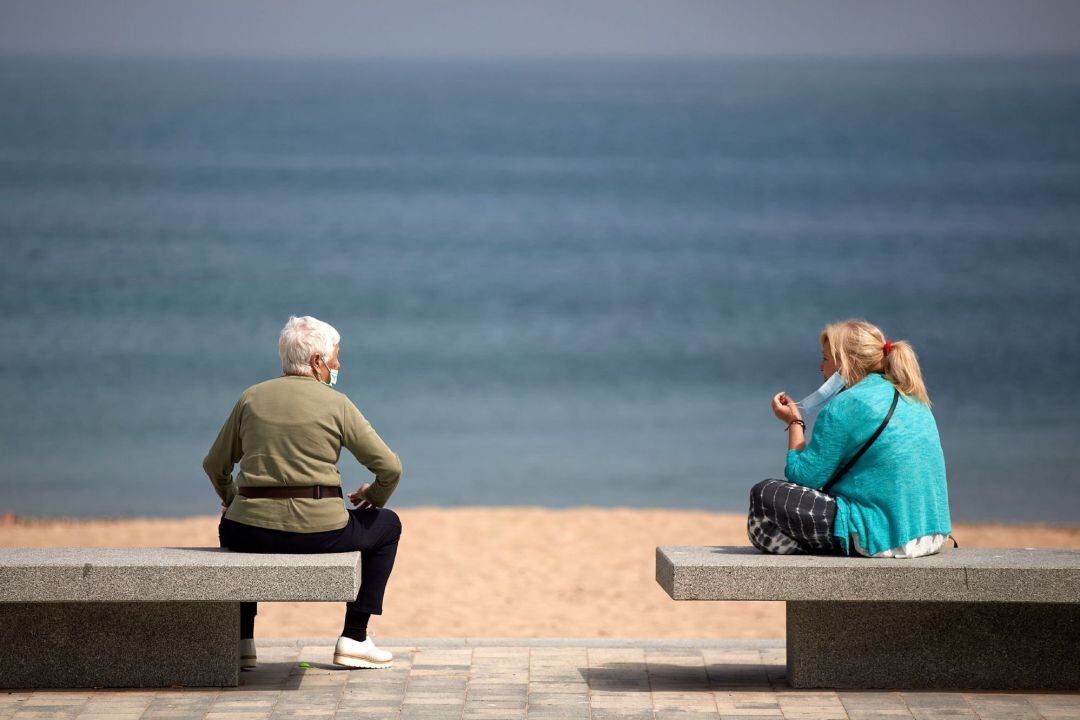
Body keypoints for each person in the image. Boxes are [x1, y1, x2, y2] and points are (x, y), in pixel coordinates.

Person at [204, 315, 403, 669]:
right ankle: (355, 637)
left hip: (252, 532)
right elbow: (389, 468)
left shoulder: (251, 398)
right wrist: (374, 496)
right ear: (317, 362)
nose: (338, 365)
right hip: (320, 532)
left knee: (227, 524)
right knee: (388, 526)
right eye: (335, 357)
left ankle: (242, 642)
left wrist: (233, 497)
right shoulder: (337, 403)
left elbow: (215, 465)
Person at [747, 319, 951, 558]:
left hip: (885, 536)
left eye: (825, 359)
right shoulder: (912, 395)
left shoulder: (846, 405)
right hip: (932, 532)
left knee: (764, 495)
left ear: (847, 363)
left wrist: (795, 423)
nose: (820, 368)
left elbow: (803, 477)